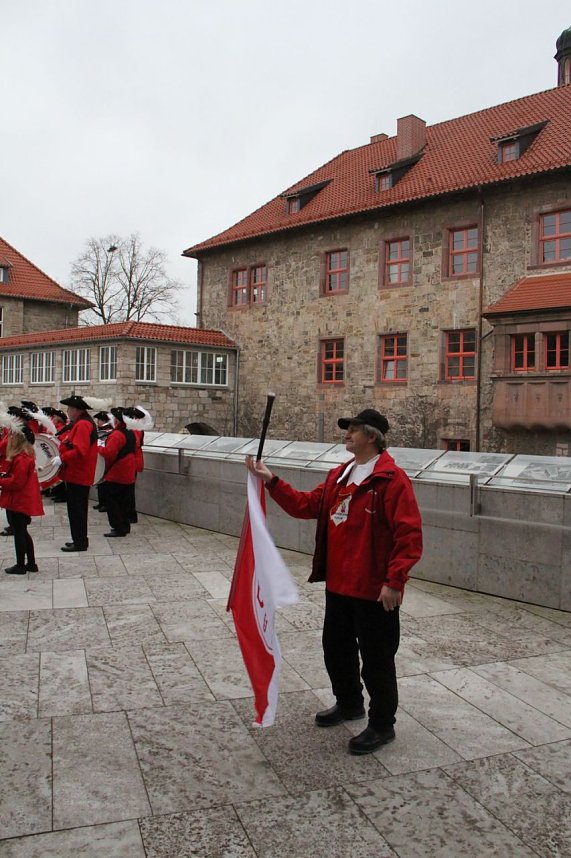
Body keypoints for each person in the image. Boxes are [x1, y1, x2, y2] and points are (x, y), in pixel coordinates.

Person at [246, 408, 423, 755]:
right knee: (336, 650)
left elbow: (409, 534)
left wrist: (395, 581)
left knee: (377, 660)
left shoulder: (391, 480)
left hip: (374, 591)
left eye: (353, 430)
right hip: (340, 586)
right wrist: (271, 480)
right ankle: (349, 703)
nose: (346, 435)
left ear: (371, 437)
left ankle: (382, 724)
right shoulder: (340, 476)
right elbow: (306, 505)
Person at [52, 395, 109, 552]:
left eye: (69, 408)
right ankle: (78, 539)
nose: (68, 411)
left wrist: (62, 458)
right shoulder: (83, 422)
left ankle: (80, 542)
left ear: (77, 410)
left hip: (79, 474)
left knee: (77, 511)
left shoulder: (83, 424)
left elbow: (80, 450)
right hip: (78, 473)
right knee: (77, 510)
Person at [0, 422, 44, 574]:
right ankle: (31, 563)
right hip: (21, 499)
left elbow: (16, 483)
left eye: (13, 435)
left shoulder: (22, 459)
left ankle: (21, 565)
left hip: (20, 501)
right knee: (23, 532)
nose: (10, 438)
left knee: (20, 533)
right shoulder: (24, 456)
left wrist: (1, 480)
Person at [98, 407, 136, 537]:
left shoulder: (117, 434)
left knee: (113, 502)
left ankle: (118, 527)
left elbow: (109, 454)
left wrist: (98, 447)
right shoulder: (130, 432)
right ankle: (125, 526)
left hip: (117, 473)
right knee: (124, 502)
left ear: (117, 420)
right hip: (128, 471)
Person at [92, 411, 113, 513]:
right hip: (100, 457)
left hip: (106, 459)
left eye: (99, 420)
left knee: (105, 483)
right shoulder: (100, 430)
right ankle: (101, 502)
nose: (98, 422)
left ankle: (106, 504)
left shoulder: (108, 431)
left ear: (104, 420)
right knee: (100, 481)